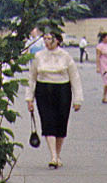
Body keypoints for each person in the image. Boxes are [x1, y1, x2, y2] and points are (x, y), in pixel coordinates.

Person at [27, 28, 83, 168]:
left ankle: (57, 154)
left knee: (61, 123)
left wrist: (78, 99)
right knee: (48, 121)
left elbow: (75, 78)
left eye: (49, 38)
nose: (46, 42)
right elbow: (32, 78)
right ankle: (52, 156)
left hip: (62, 90)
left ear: (57, 40)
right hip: (43, 90)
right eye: (44, 38)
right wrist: (29, 98)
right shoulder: (38, 56)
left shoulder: (66, 56)